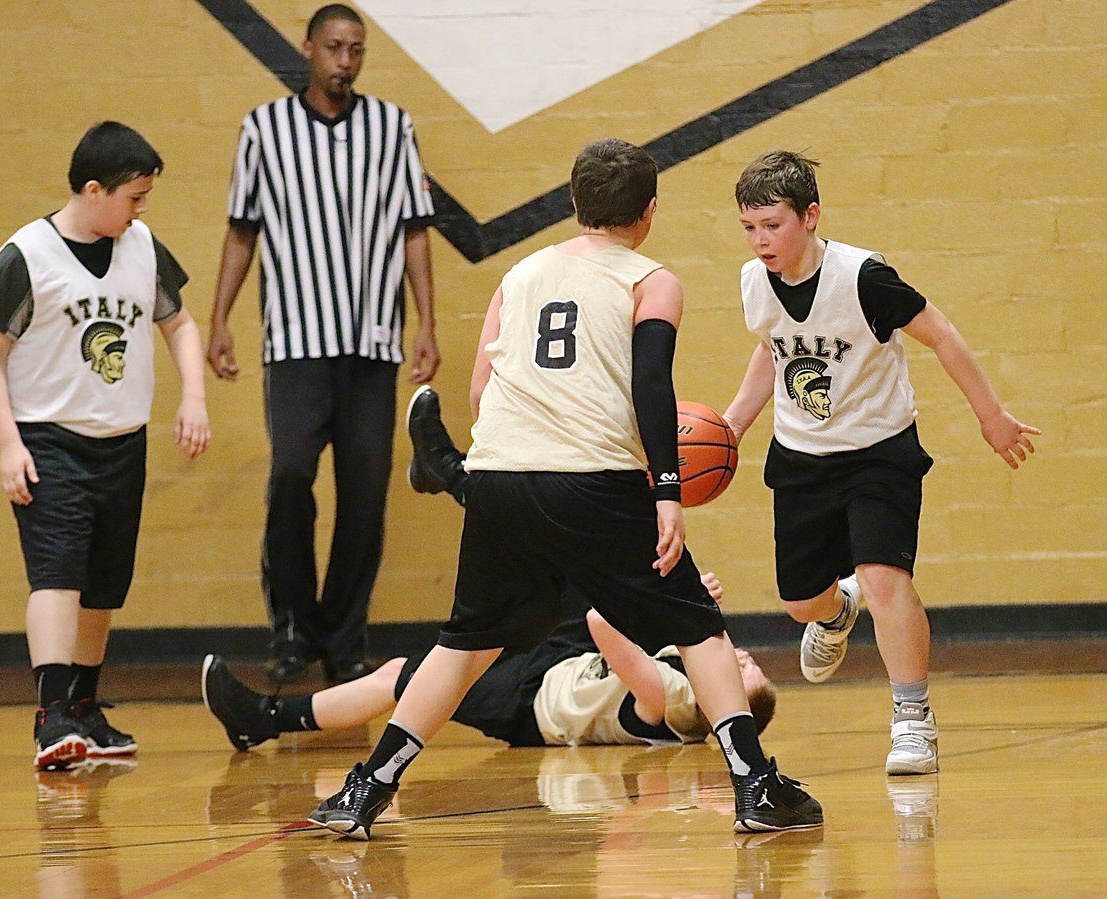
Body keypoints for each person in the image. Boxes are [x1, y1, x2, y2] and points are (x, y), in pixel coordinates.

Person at [306, 137, 823, 841]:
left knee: (462, 644)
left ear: (575, 204)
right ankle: (754, 782)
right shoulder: (652, 280)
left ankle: (367, 787)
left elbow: (483, 387)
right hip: (594, 479)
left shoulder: (519, 274)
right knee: (697, 621)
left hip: (498, 476)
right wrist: (667, 490)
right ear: (648, 211)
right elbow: (651, 386)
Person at [722, 150, 1040, 776]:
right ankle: (836, 612)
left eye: (774, 225)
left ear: (810, 216)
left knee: (884, 576)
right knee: (799, 603)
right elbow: (773, 351)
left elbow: (942, 334)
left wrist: (991, 415)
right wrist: (734, 422)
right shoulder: (751, 280)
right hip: (801, 456)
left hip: (879, 451)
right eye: (750, 228)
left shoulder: (865, 278)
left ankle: (913, 719)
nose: (762, 240)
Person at [206, 2, 439, 685]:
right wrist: (219, 319)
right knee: (290, 477)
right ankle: (290, 627)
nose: (345, 60)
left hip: (372, 340)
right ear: (308, 49)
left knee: (366, 493)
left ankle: (343, 636)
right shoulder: (264, 129)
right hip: (296, 342)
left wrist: (425, 322)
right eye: (335, 47)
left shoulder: (393, 128)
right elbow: (242, 231)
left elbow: (415, 229)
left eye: (356, 50)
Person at [0, 121, 211, 771]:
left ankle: (85, 707)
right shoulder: (28, 254)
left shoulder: (142, 248)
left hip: (120, 440)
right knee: (59, 575)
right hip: (49, 439)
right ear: (94, 189)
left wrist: (193, 395)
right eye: (134, 198)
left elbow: (180, 322)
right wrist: (7, 444)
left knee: (104, 585)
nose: (140, 211)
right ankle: (51, 715)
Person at [201, 572, 777, 751]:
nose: (745, 658)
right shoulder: (685, 677)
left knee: (404, 676)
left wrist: (678, 604)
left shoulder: (674, 707)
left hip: (532, 707)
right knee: (574, 555)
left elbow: (607, 627)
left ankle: (267, 718)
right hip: (563, 664)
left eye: (748, 673)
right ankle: (454, 474)